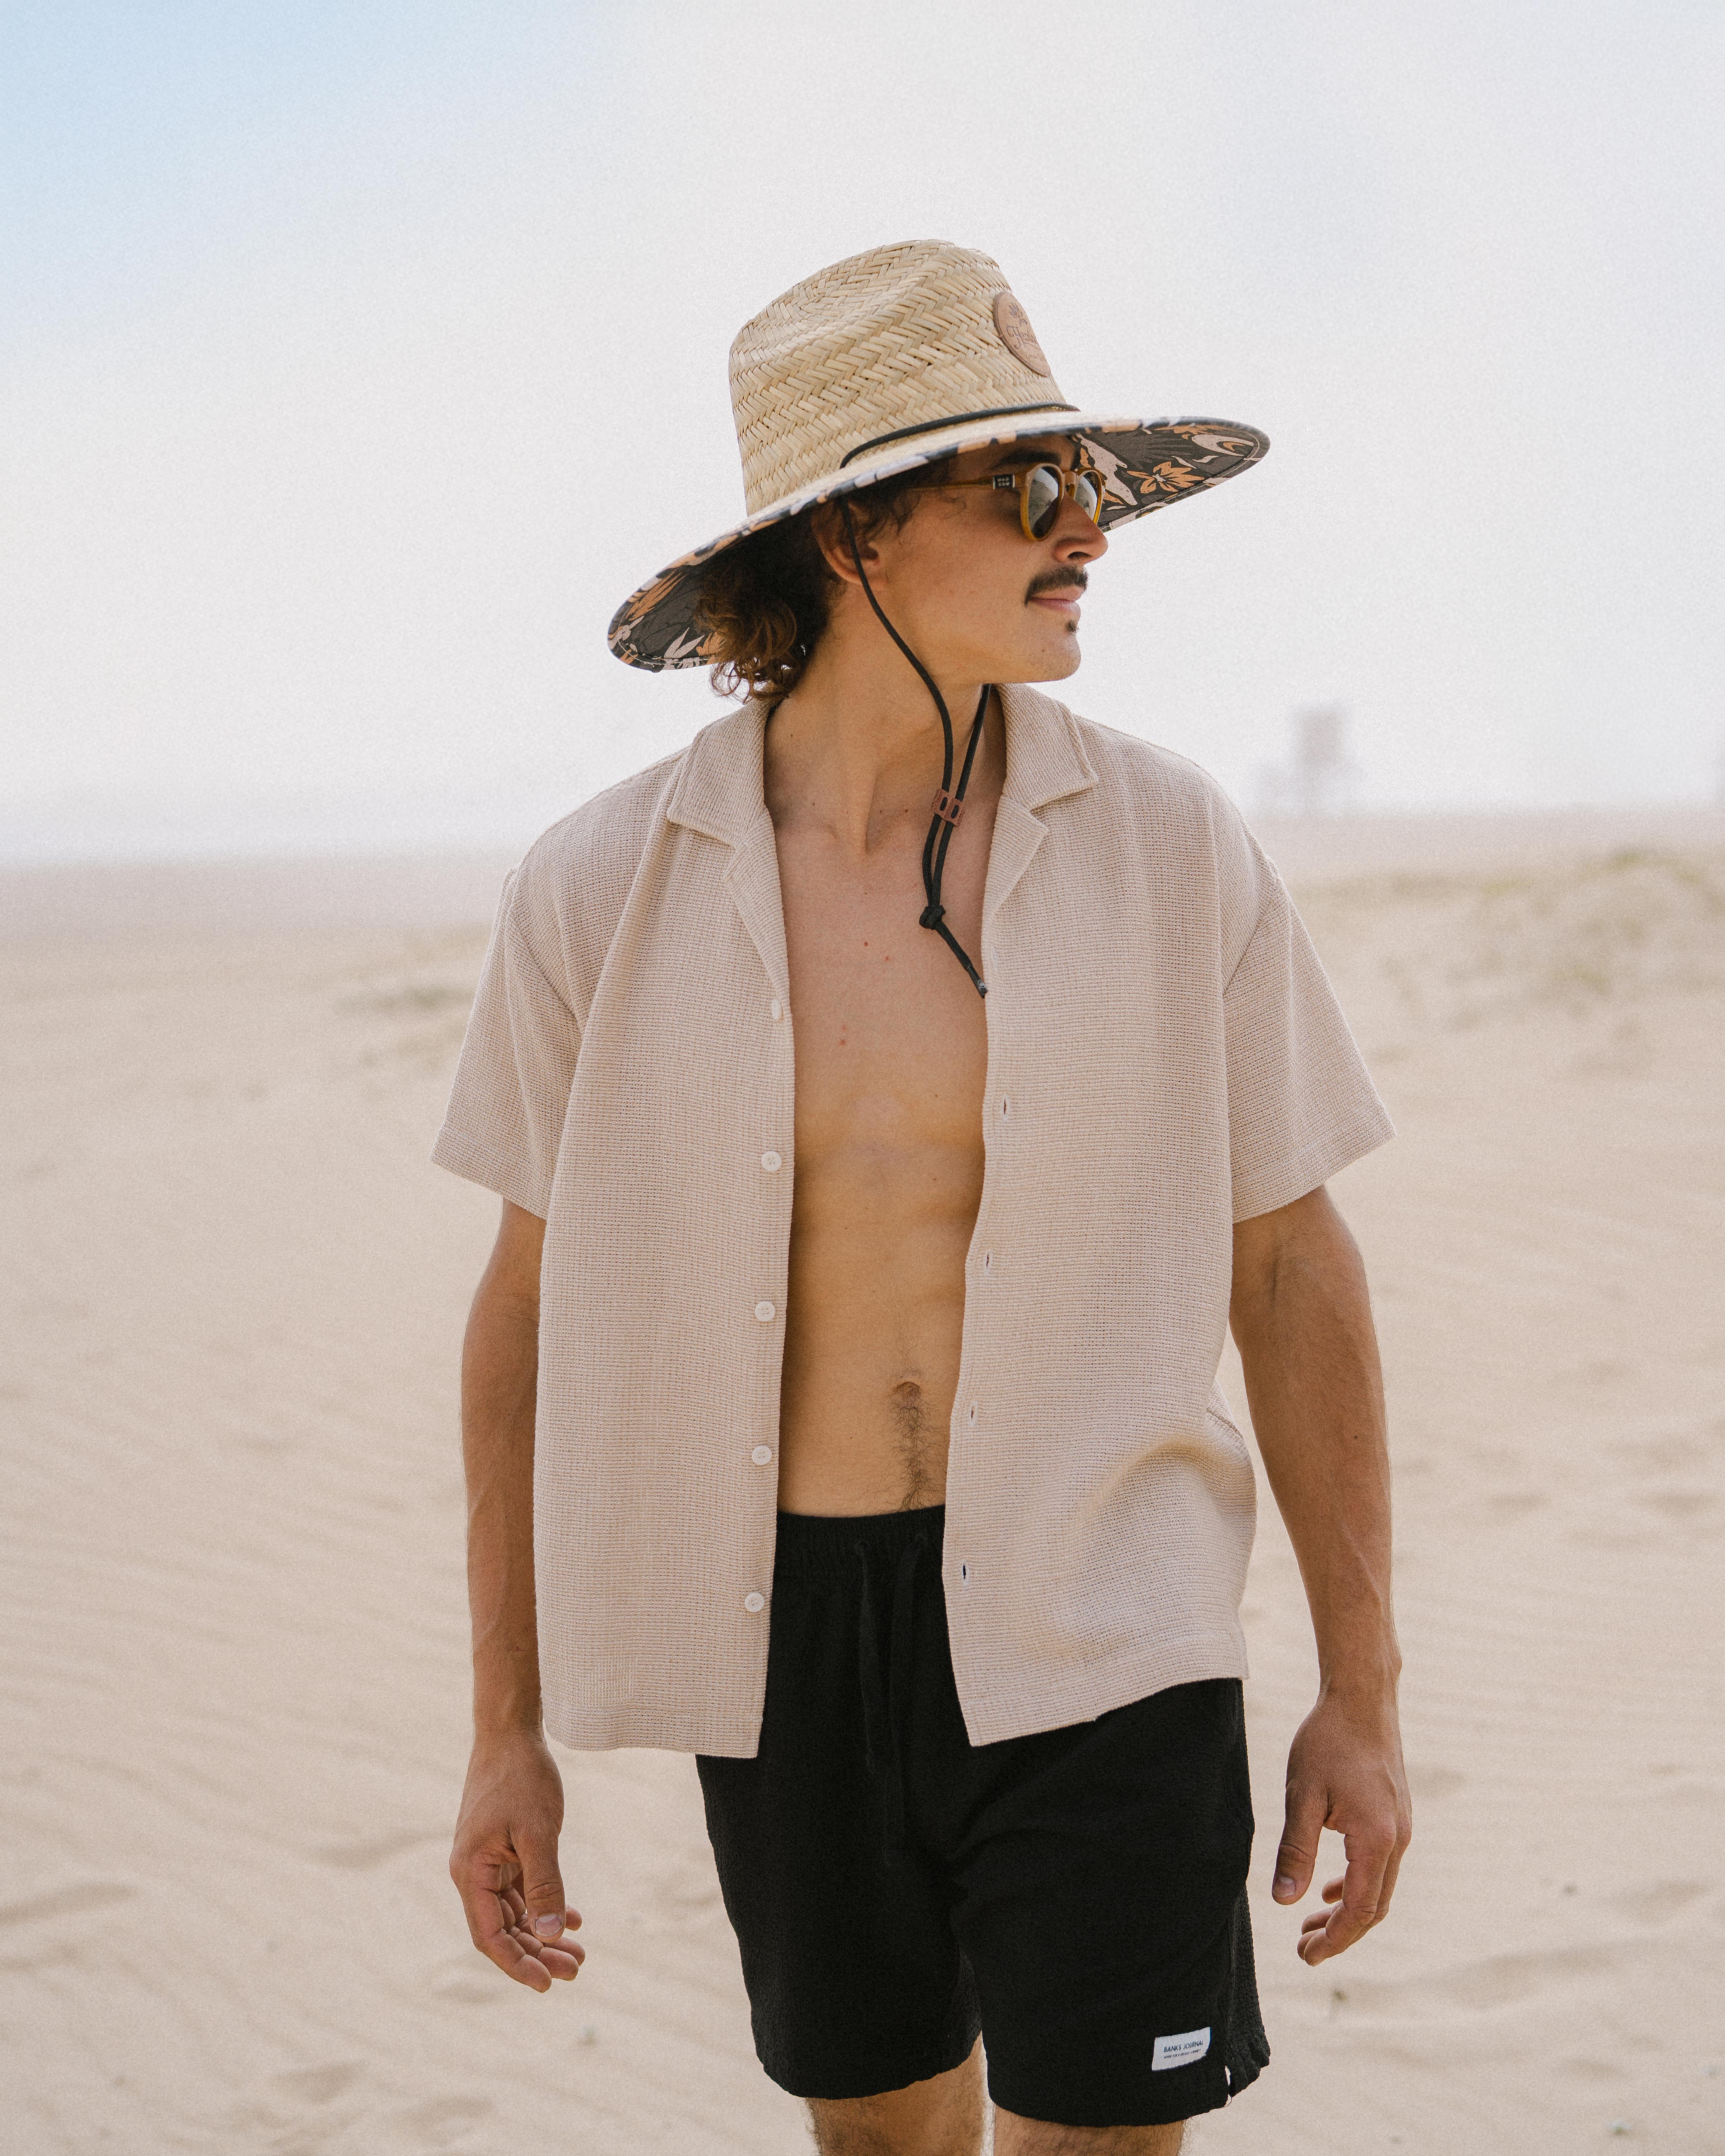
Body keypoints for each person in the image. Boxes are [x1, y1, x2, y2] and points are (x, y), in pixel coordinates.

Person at [436, 240, 1411, 2155]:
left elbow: (1289, 1267)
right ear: (858, 535)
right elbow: (521, 1318)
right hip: (783, 1631)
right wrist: (502, 1727)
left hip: (1100, 1605)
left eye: (1091, 490)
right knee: (881, 2142)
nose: (1091, 539)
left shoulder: (1164, 841)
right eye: (1032, 491)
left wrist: (1359, 1694)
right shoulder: (596, 889)